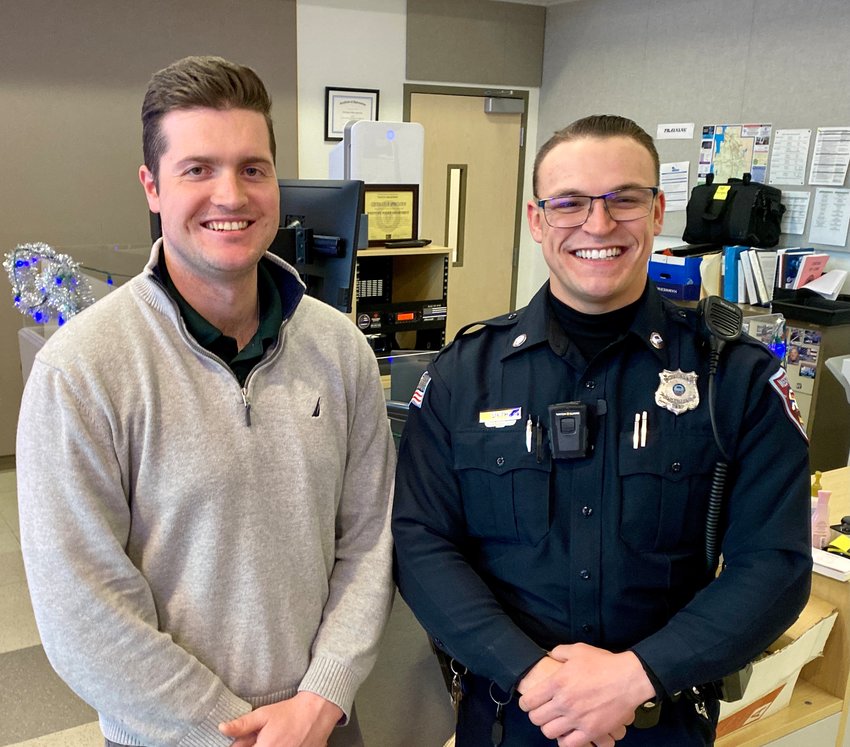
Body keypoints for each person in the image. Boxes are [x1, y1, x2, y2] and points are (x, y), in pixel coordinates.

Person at [392, 115, 811, 746]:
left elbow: (774, 566)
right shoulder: (464, 375)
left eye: (625, 198)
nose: (599, 223)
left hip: (659, 717)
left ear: (657, 209)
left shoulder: (736, 378)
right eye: (570, 203)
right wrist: (528, 672)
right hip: (511, 717)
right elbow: (421, 541)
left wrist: (634, 677)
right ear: (538, 221)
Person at [17, 56, 395, 747]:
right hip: (169, 735)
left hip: (322, 724)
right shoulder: (82, 371)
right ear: (151, 186)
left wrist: (320, 698)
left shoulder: (341, 350)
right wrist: (231, 731)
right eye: (198, 169)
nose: (231, 195)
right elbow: (83, 609)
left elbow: (370, 539)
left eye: (253, 168)